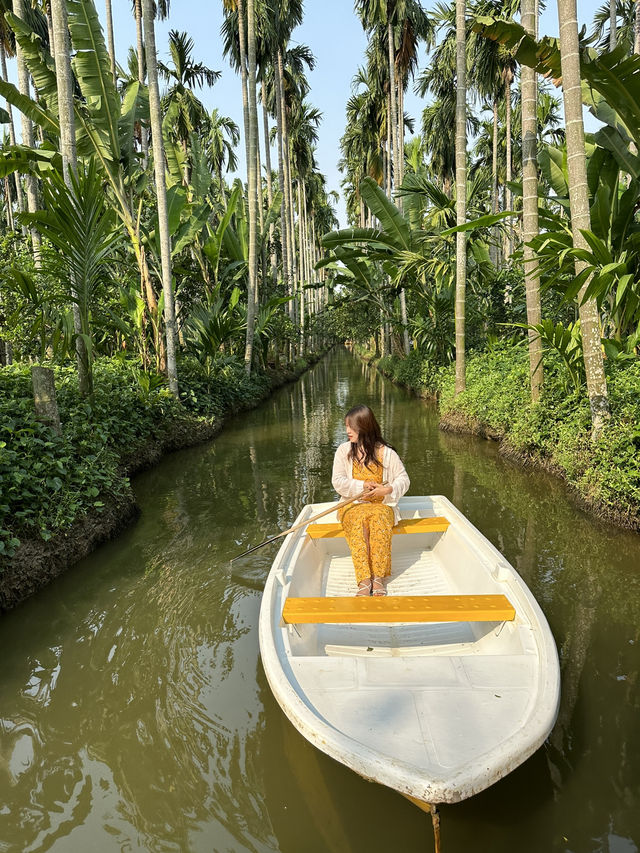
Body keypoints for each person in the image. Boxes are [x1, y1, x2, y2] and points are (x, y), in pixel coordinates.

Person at [331, 405, 410, 597]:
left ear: (365, 427)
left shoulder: (387, 453)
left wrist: (388, 489)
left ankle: (378, 578)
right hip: (352, 505)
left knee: (379, 519)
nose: (347, 431)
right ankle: (364, 580)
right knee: (358, 521)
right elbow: (338, 482)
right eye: (346, 426)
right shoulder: (343, 451)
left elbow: (403, 479)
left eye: (351, 427)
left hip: (381, 505)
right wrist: (361, 486)